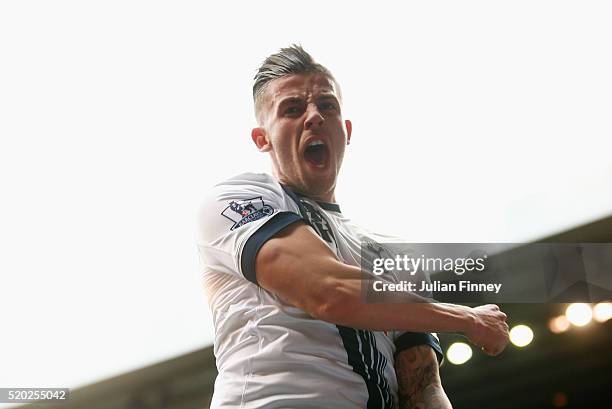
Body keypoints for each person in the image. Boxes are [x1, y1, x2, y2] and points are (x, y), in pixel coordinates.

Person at [196, 45, 509, 409]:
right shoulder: (237, 200)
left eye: (326, 106)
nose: (313, 116)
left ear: (345, 130)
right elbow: (329, 290)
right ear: (261, 139)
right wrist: (467, 318)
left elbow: (422, 387)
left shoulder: (387, 253)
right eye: (292, 109)